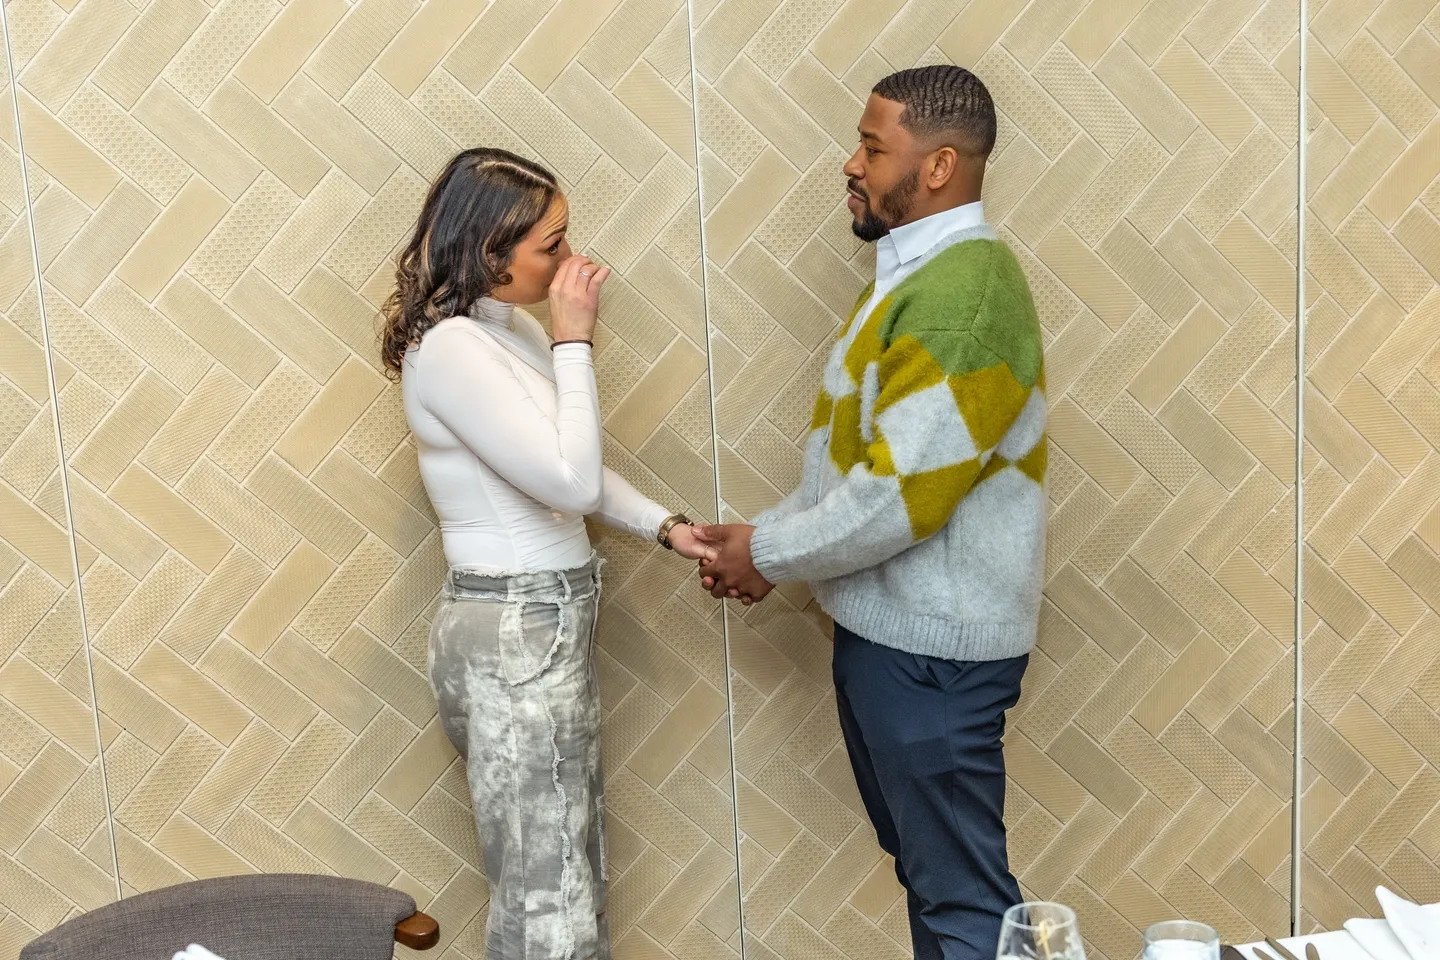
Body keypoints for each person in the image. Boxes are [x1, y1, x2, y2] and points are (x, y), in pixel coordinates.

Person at [696, 66, 1046, 959]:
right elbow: (859, 474)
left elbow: (900, 500)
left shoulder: (963, 295)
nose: (850, 163)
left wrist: (767, 552)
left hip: (932, 659)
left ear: (936, 167)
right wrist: (764, 543)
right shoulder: (912, 280)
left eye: (871, 145)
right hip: (897, 644)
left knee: (962, 903)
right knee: (939, 887)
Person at [382, 147, 712, 960]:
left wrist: (667, 529)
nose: (571, 262)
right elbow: (564, 481)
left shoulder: (505, 328)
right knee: (548, 894)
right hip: (515, 631)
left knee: (565, 868)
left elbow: (578, 468)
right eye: (552, 246)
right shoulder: (454, 346)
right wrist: (576, 342)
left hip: (538, 623)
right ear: (491, 252)